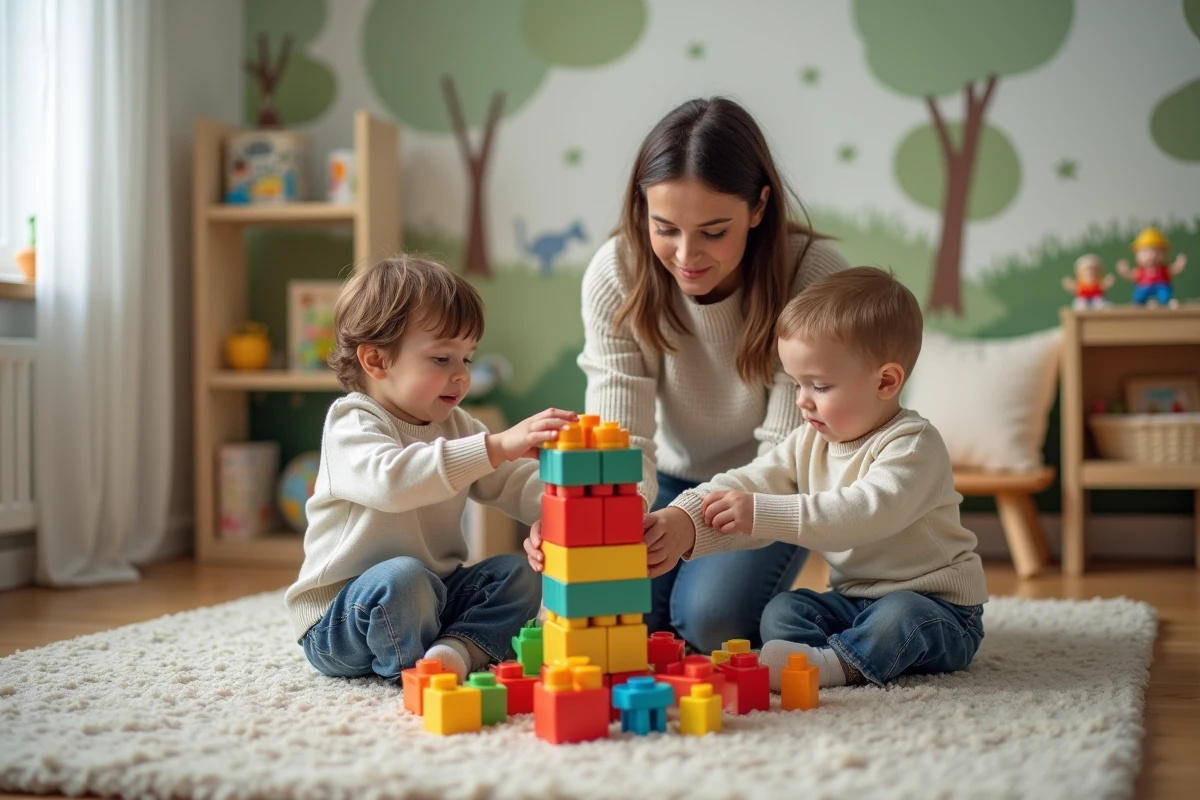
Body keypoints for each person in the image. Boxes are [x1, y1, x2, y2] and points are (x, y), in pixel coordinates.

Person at [524, 97, 849, 652]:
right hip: (664, 477)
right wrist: (586, 518)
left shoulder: (811, 278)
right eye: (665, 228)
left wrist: (689, 522)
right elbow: (619, 441)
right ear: (641, 206)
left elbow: (783, 456)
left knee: (709, 624)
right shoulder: (616, 272)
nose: (686, 255)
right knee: (609, 619)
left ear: (758, 206)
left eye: (714, 231)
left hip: (768, 488)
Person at [643, 267, 988, 687]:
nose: (803, 402)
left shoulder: (913, 446)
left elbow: (861, 514)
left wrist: (762, 515)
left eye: (820, 386)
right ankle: (837, 655)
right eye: (796, 384)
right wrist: (687, 518)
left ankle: (837, 666)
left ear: (886, 381)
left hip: (940, 608)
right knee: (783, 611)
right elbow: (754, 479)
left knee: (901, 616)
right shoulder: (809, 440)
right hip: (854, 602)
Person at [285, 255, 577, 683]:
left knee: (519, 576)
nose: (461, 377)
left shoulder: (458, 425)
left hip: (433, 597)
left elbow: (513, 482)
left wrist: (562, 515)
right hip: (344, 618)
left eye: (467, 359)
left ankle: (452, 653)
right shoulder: (352, 422)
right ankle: (411, 672)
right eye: (442, 359)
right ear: (377, 361)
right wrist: (496, 446)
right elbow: (393, 481)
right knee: (402, 577)